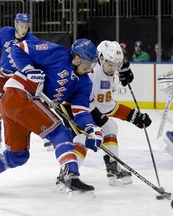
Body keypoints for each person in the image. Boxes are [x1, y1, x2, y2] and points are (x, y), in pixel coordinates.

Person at [0, 38, 103, 199]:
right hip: (19, 94)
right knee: (60, 132)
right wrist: (29, 70)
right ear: (77, 58)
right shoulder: (58, 53)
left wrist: (93, 129)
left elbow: (81, 112)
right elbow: (18, 47)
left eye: (93, 65)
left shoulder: (84, 83)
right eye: (88, 64)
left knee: (17, 156)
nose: (89, 69)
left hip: (18, 105)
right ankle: (70, 175)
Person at [56, 40, 152, 186]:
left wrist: (123, 66)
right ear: (100, 58)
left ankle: (112, 167)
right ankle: (65, 177)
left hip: (86, 104)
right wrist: (133, 116)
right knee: (82, 138)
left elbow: (109, 57)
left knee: (110, 127)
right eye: (110, 64)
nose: (112, 68)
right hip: (72, 106)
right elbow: (107, 107)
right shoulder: (97, 76)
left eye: (116, 65)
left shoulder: (101, 64)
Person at [0, 13, 52, 151]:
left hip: (20, 79)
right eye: (21, 26)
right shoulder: (5, 32)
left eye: (26, 27)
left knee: (32, 108)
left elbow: (40, 59)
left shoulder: (32, 41)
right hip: (3, 75)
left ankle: (48, 136)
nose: (24, 29)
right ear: (15, 25)